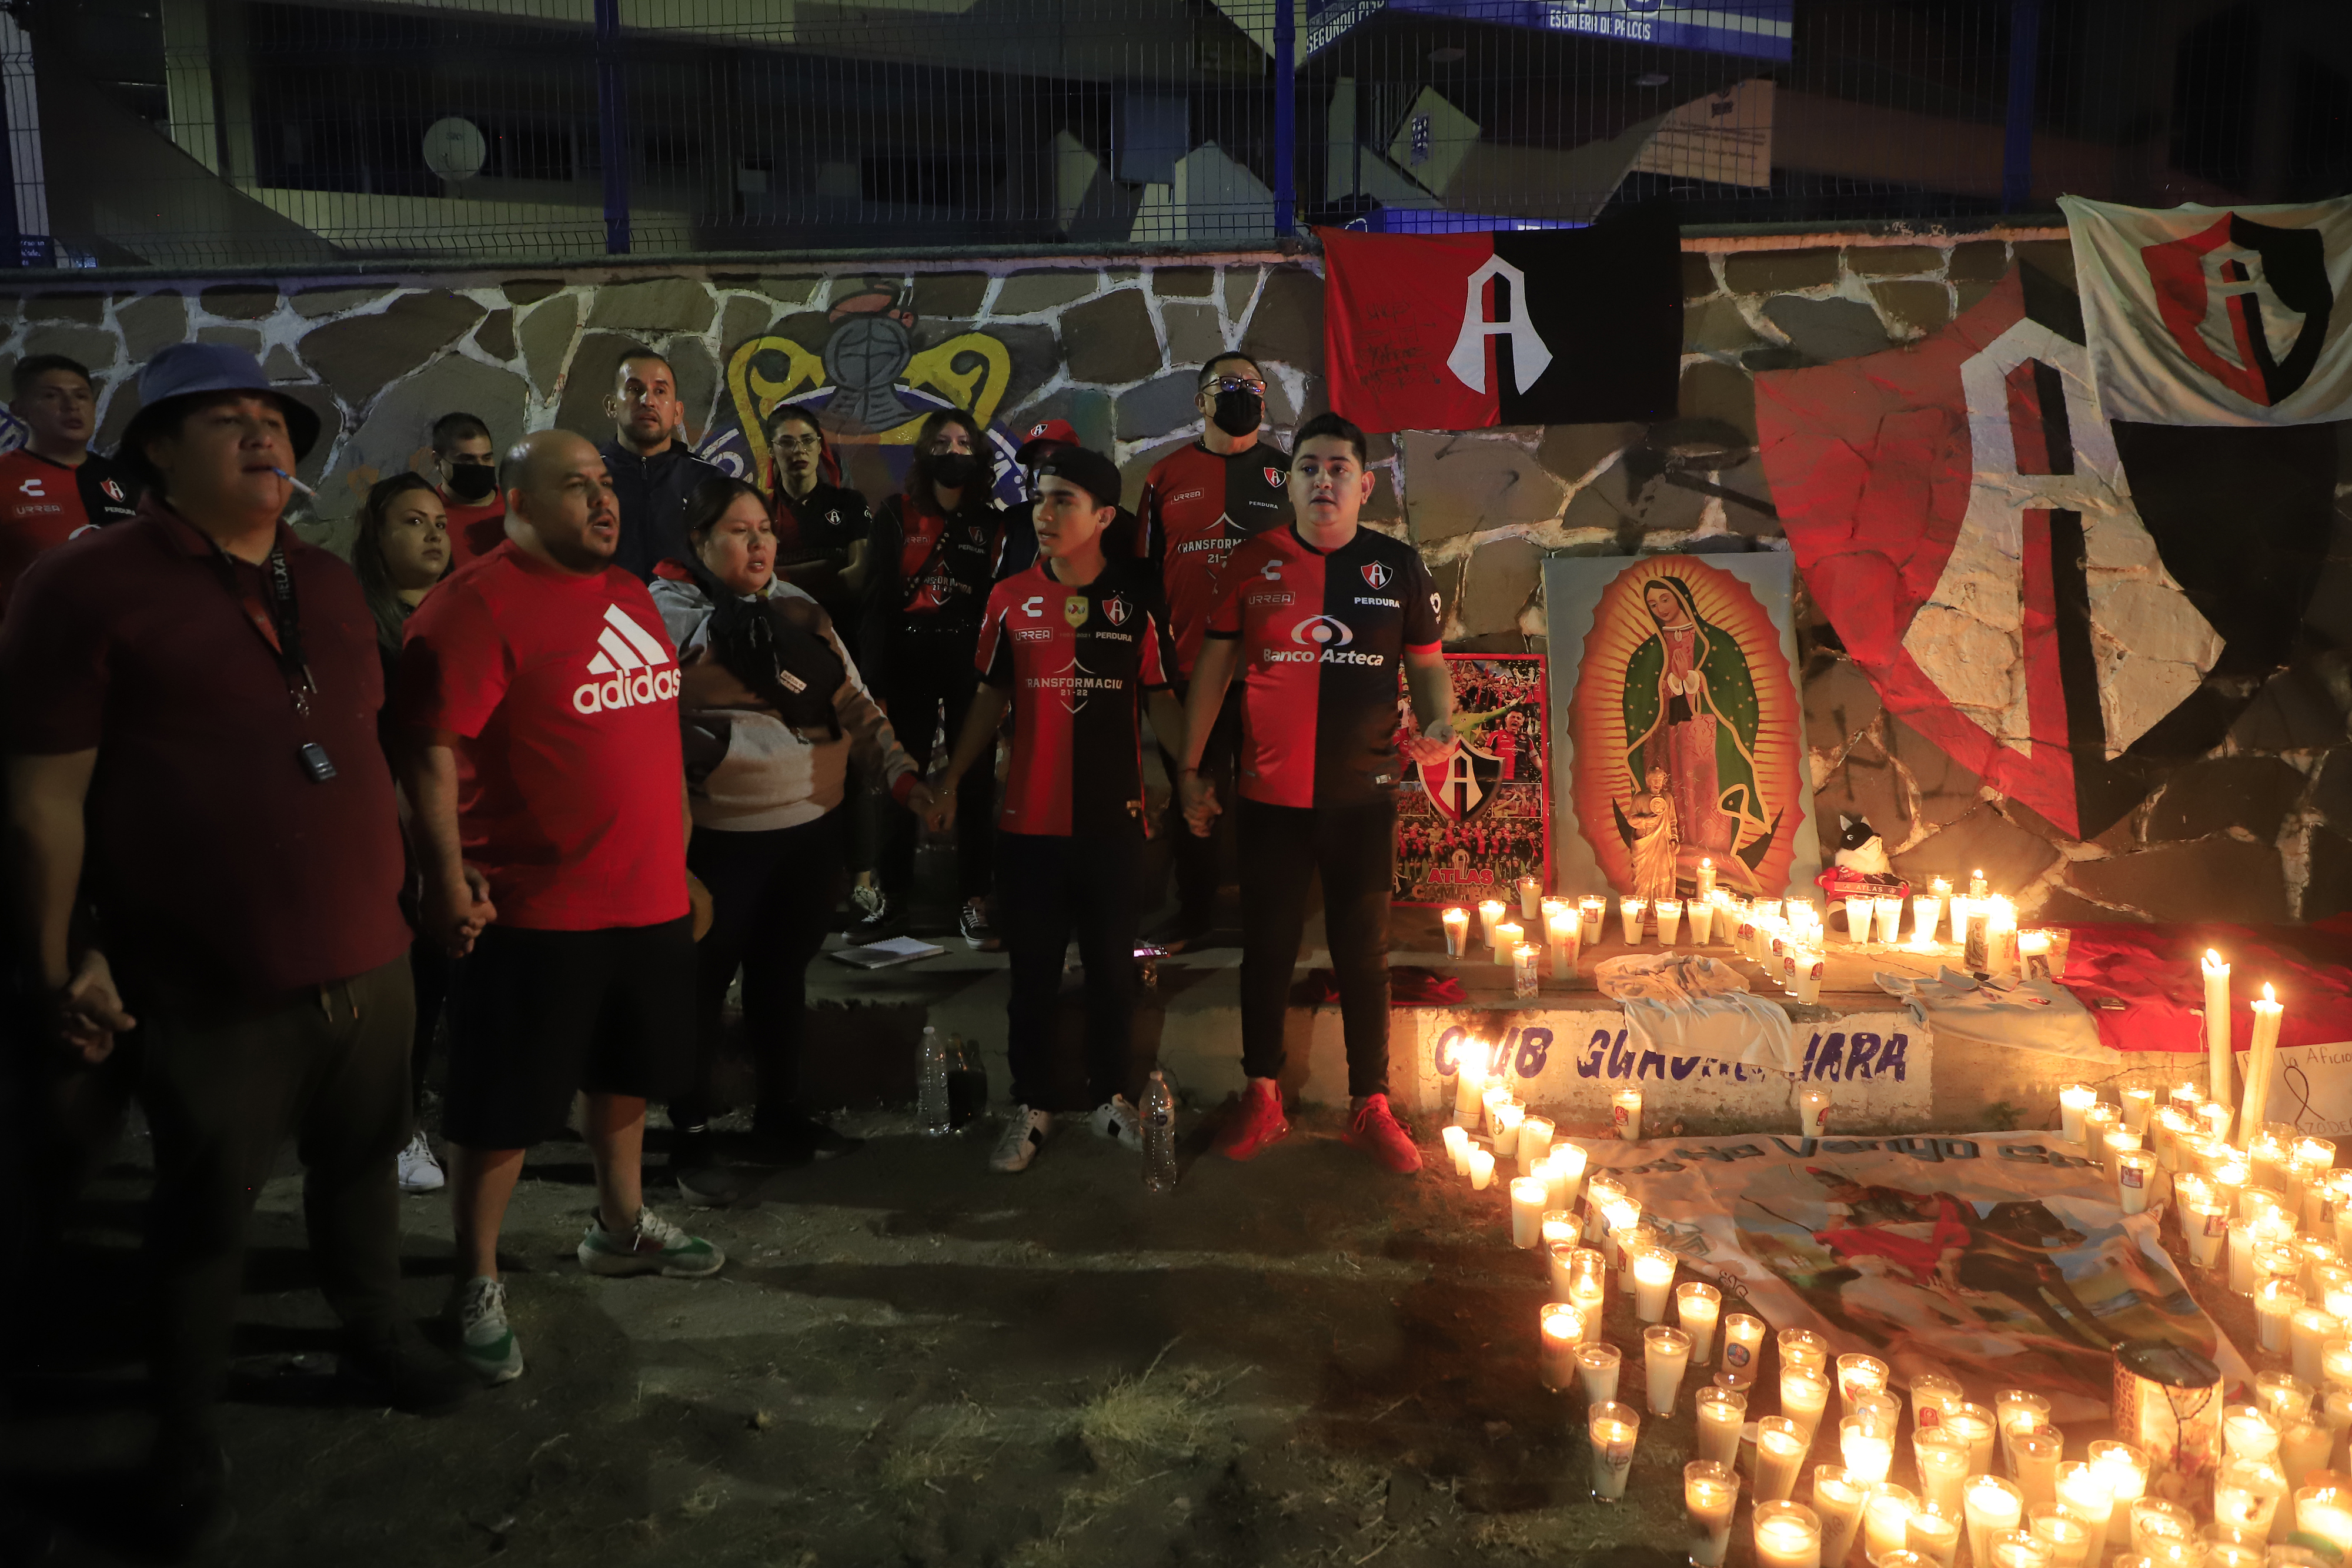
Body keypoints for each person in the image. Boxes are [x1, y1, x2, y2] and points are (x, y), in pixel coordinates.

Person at [0, 343, 469, 1552]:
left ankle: (372, 1332)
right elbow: (44, 797)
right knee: (205, 1213)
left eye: (277, 419)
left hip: (367, 954)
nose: (267, 436)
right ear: (155, 446)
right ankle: (182, 1430)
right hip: (207, 974)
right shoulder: (82, 586)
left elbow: (367, 745)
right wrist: (61, 955)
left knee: (362, 1168)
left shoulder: (323, 581)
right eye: (228, 420)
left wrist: (423, 885)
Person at [396, 428, 724, 1391]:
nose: (603, 498)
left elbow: (654, 734)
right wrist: (444, 880)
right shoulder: (472, 607)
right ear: (518, 505)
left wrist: (681, 858)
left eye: (605, 483)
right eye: (574, 485)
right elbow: (426, 755)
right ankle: (477, 1278)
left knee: (628, 1071)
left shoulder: (627, 593)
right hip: (536, 907)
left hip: (649, 895)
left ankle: (617, 1224)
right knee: (500, 1104)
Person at [1177, 411, 1453, 1175]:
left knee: (1364, 954)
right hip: (1269, 797)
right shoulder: (1250, 560)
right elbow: (1213, 672)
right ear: (1290, 480)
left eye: (1338, 468)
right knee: (1266, 947)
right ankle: (1261, 1093)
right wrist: (1190, 767)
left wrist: (1440, 719)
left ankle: (1372, 1103)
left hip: (1362, 798)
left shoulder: (1397, 567)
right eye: (1308, 466)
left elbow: (1428, 663)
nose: (1323, 479)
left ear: (1364, 485)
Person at [648, 476, 933, 1192]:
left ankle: (780, 1112)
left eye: (766, 531)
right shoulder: (662, 617)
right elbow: (644, 727)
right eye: (739, 531)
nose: (758, 543)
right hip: (717, 835)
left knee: (782, 975)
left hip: (810, 827)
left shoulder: (800, 613)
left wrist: (901, 775)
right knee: (702, 984)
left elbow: (853, 703)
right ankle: (689, 1134)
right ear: (698, 542)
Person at [931, 446, 1185, 1173]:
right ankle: (1033, 1104)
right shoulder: (1008, 597)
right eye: (1040, 499)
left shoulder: (1134, 602)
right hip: (1029, 828)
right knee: (1032, 976)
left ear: (1103, 516)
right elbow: (989, 696)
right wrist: (951, 778)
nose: (1044, 514)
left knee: (1112, 971)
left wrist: (1189, 774)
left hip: (1112, 824)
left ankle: (1112, 1097)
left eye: (1063, 501)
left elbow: (1162, 696)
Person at [1134, 355, 1291, 950]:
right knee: (1192, 792)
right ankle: (1193, 913)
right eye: (1226, 386)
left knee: (1270, 802)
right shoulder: (1163, 477)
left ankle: (1268, 916)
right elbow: (1146, 573)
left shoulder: (1287, 473)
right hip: (1189, 670)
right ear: (1200, 402)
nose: (1241, 395)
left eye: (1252, 386)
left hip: (1273, 671)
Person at [861, 407, 1004, 946]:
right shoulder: (894, 516)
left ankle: (974, 900)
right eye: (941, 443)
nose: (953, 453)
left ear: (978, 453)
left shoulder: (992, 524)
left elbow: (999, 603)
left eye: (963, 443)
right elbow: (875, 604)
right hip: (909, 659)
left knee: (975, 781)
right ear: (924, 454)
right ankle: (892, 897)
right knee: (902, 778)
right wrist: (875, 681)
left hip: (970, 661)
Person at [352, 473, 456, 1195]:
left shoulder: (463, 611)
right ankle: (397, 1129)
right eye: (412, 522)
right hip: (395, 833)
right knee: (410, 997)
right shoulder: (365, 628)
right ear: (377, 537)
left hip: (471, 827)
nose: (433, 535)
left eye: (440, 523)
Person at [0, 353, 141, 614]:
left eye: (81, 396)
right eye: (52, 396)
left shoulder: (127, 480)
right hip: (31, 646)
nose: (71, 406)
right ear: (20, 410)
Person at [599, 348, 720, 580]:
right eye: (635, 389)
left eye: (660, 391)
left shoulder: (712, 484)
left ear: (677, 412)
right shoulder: (585, 481)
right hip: (606, 614)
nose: (648, 401)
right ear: (612, 405)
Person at [428, 410, 507, 569]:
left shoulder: (518, 505)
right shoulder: (428, 517)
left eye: (486, 458)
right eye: (467, 460)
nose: (480, 467)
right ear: (438, 462)